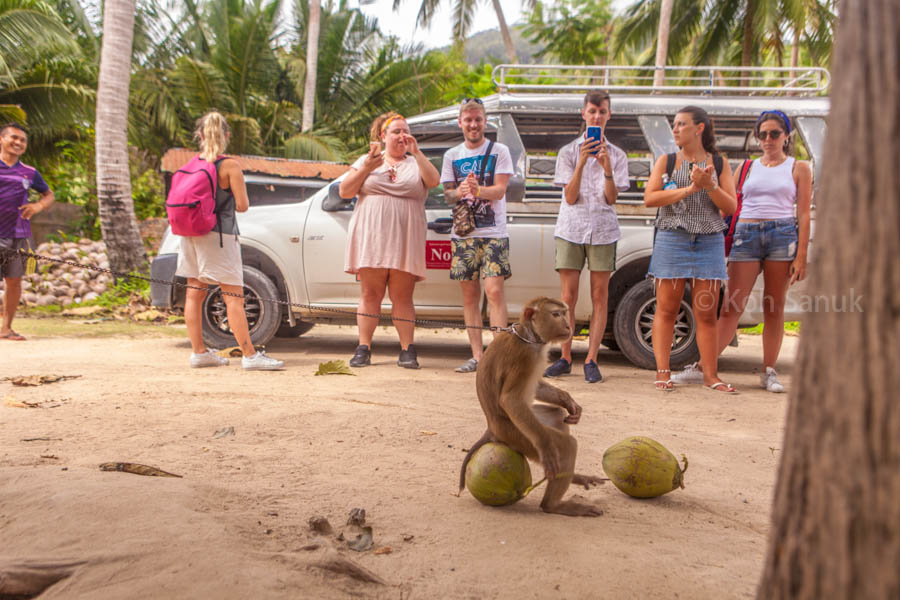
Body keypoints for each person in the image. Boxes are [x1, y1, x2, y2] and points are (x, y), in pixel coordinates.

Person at [672, 110, 812, 392]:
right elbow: (729, 205)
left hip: (781, 234)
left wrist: (801, 256)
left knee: (774, 306)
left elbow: (805, 213)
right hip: (746, 235)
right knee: (732, 306)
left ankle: (769, 371)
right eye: (763, 134)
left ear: (786, 136)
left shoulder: (799, 168)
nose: (768, 139)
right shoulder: (746, 167)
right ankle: (703, 367)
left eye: (775, 133)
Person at [176, 111, 284, 370]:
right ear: (226, 136)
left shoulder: (191, 164)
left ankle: (199, 352)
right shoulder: (229, 166)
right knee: (233, 296)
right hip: (219, 236)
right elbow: (243, 205)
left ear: (200, 136)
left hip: (190, 234)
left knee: (194, 292)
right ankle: (249, 355)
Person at [644, 106, 738, 392]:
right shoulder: (667, 160)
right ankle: (663, 371)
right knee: (667, 309)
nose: (675, 129)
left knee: (707, 313)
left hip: (708, 241)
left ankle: (710, 375)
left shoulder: (719, 164)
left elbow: (731, 207)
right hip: (673, 237)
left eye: (681, 124)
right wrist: (689, 190)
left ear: (699, 129)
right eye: (674, 124)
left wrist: (709, 185)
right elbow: (650, 199)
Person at [340, 112, 440, 369]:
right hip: (372, 237)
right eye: (396, 131)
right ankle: (363, 347)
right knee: (370, 294)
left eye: (405, 131)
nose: (401, 136)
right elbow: (345, 191)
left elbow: (434, 181)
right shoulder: (367, 160)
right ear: (383, 136)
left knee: (402, 296)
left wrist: (417, 153)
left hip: (405, 239)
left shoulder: (415, 163)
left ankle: (407, 349)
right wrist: (366, 168)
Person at [544, 90, 630, 383]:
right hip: (571, 227)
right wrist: (581, 163)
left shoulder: (617, 155)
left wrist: (607, 169)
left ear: (609, 115)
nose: (597, 116)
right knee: (567, 296)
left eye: (602, 111)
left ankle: (592, 359)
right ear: (584, 114)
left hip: (603, 230)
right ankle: (565, 356)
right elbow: (569, 197)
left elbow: (612, 198)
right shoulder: (569, 152)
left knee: (599, 295)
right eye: (592, 111)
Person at [441, 98, 515, 373]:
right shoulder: (452, 155)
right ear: (460, 122)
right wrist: (459, 191)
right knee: (470, 296)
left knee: (494, 291)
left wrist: (477, 190)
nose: (473, 125)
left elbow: (500, 190)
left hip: (494, 232)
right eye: (468, 120)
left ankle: (498, 356)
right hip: (464, 236)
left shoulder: (500, 151)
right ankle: (477, 357)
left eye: (478, 120)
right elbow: (447, 194)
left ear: (485, 122)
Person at [0, 122, 54, 341]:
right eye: (14, 137)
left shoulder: (29, 173)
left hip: (18, 235)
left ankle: (6, 329)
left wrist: (37, 207)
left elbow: (49, 195)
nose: (18, 143)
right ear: (1, 139)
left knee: (14, 281)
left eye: (22, 140)